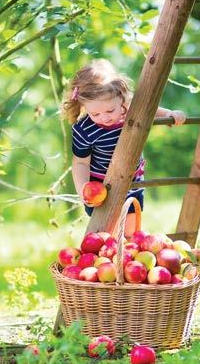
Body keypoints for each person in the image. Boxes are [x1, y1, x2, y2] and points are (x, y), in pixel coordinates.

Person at [61, 59, 186, 237]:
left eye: (110, 111)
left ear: (121, 97)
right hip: (102, 185)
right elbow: (80, 163)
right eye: (95, 114)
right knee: (106, 233)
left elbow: (150, 109)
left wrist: (169, 114)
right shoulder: (84, 130)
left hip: (132, 180)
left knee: (130, 233)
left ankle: (125, 260)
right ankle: (107, 262)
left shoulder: (130, 109)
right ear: (84, 106)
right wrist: (83, 189)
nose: (104, 118)